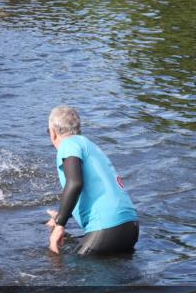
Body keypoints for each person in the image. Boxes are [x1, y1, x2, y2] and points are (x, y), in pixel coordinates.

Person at [45, 106, 139, 256]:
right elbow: (94, 189)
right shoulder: (90, 146)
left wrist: (59, 225)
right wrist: (62, 215)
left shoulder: (68, 145)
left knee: (65, 270)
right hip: (130, 226)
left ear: (53, 133)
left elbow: (75, 183)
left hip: (107, 228)